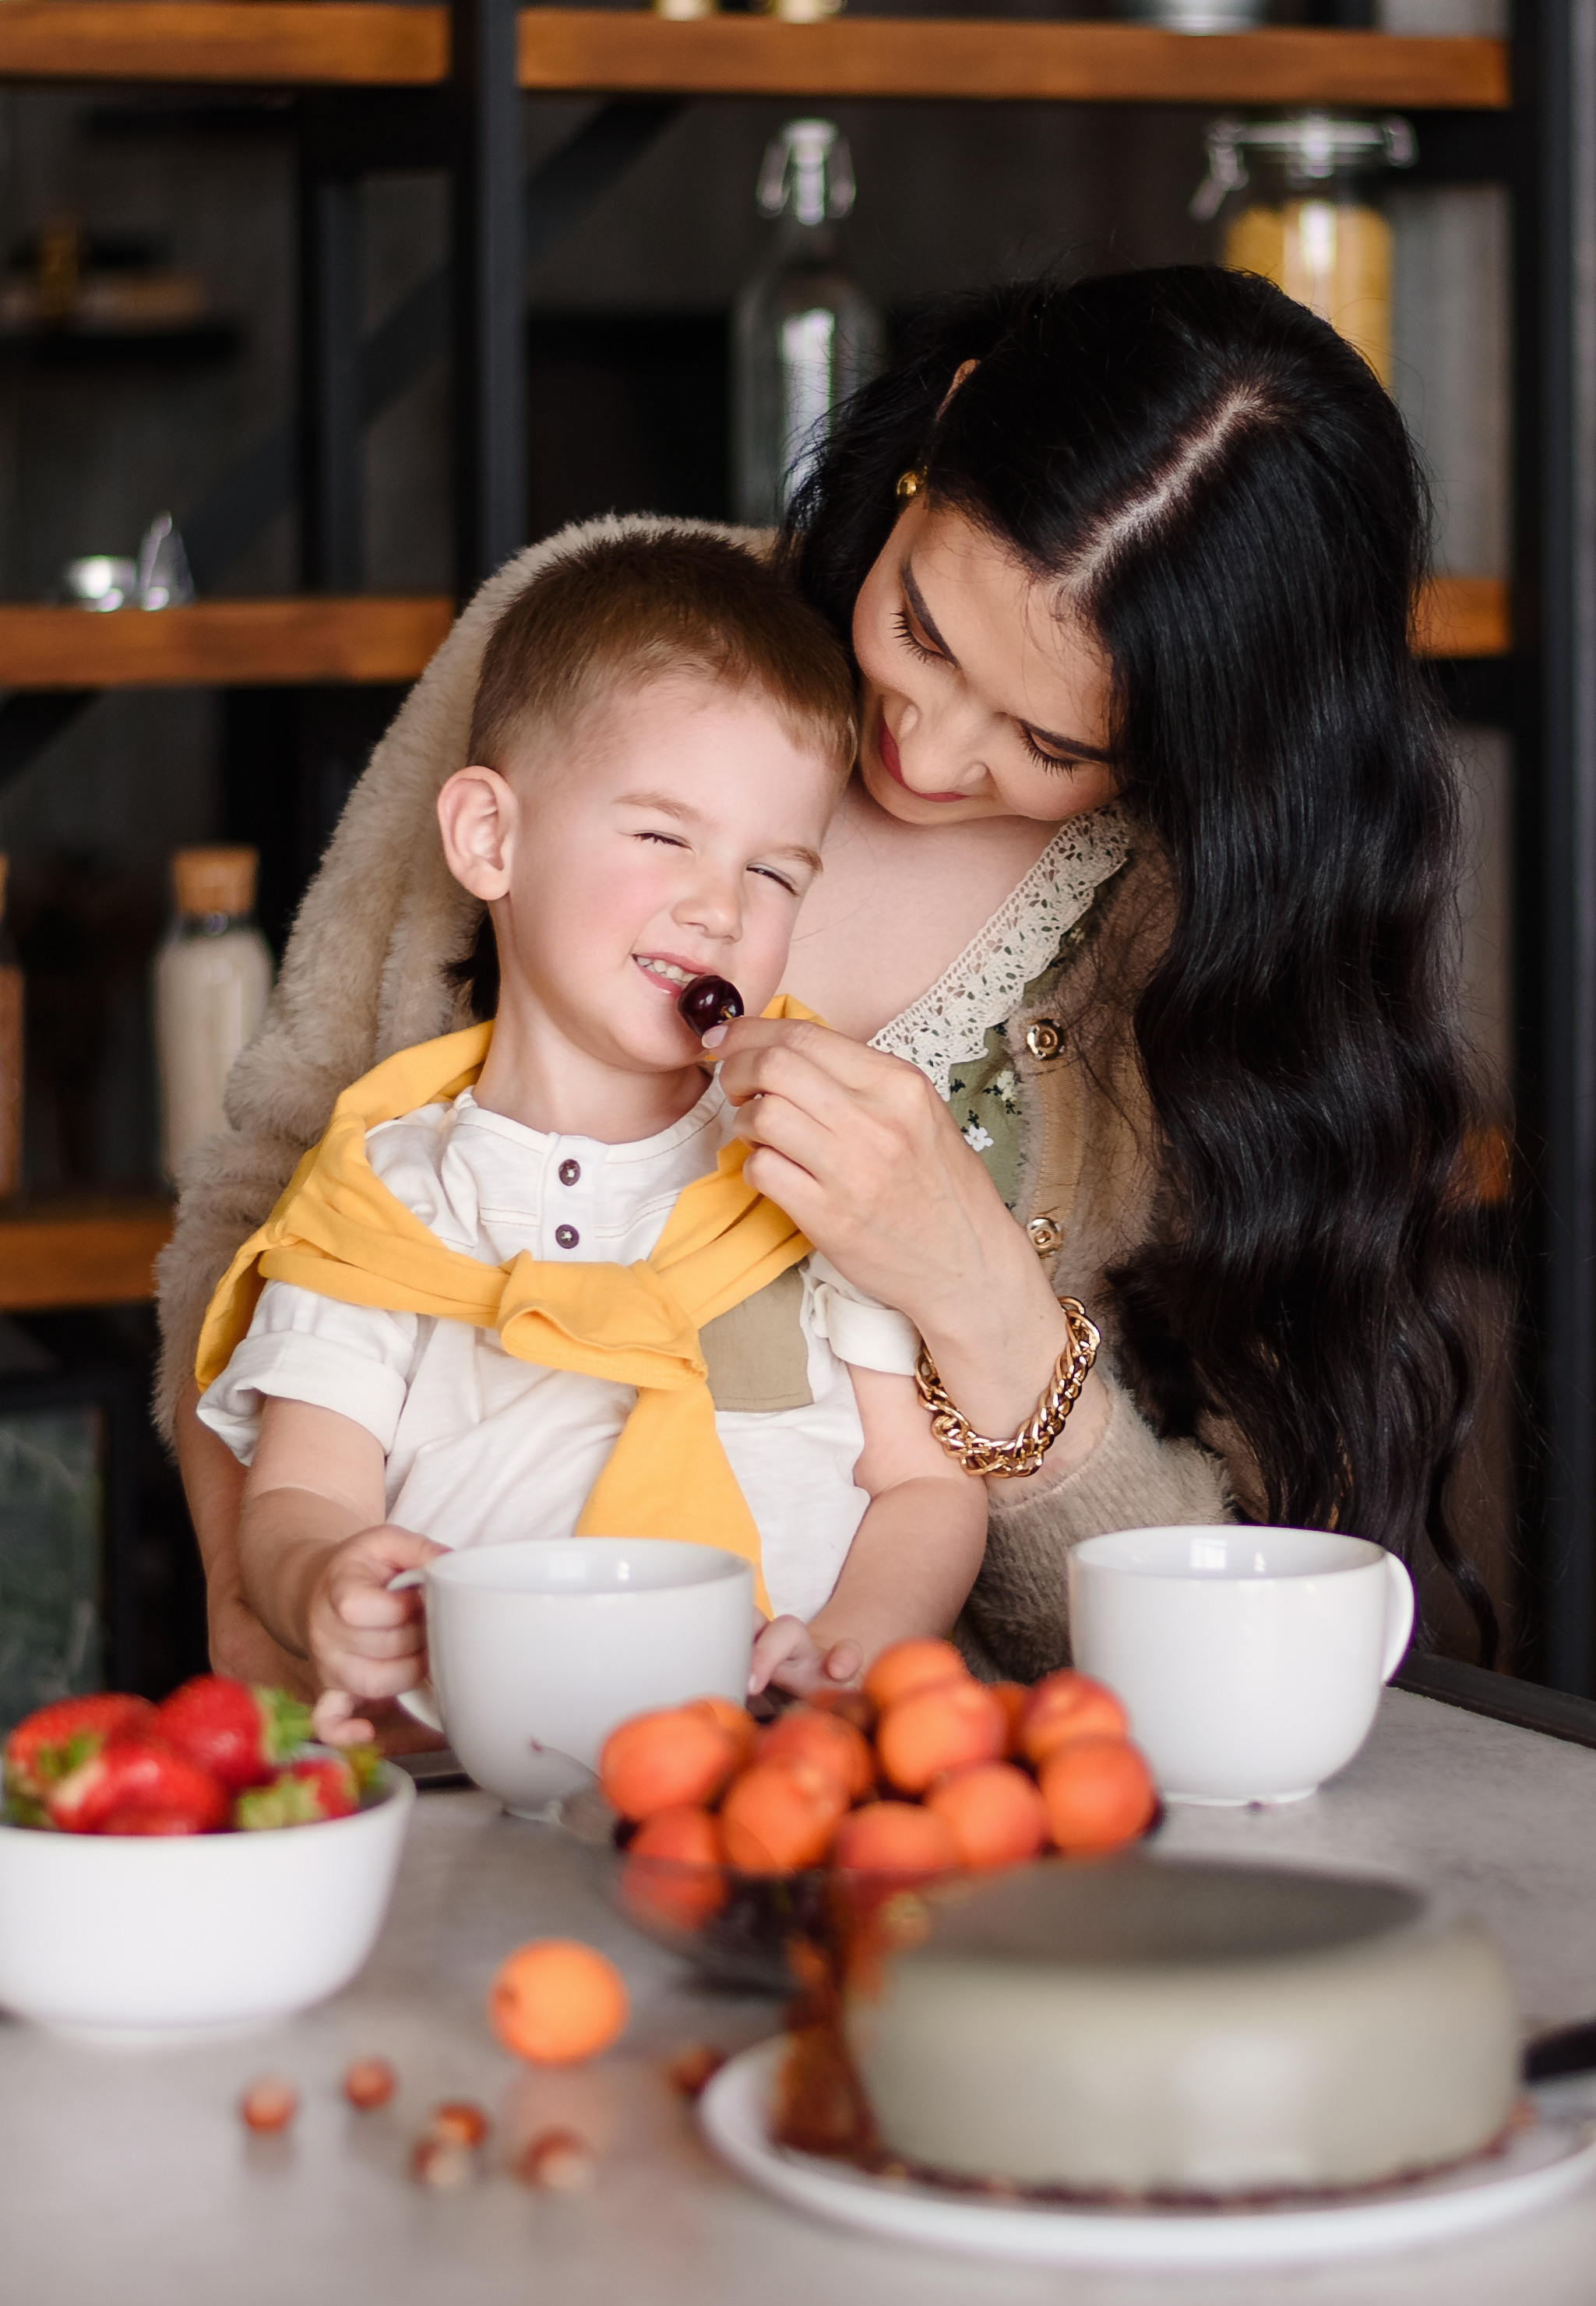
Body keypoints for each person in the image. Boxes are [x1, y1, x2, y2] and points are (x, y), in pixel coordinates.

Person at [157, 264, 1492, 1706]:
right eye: (921, 628)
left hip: (901, 1807)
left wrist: (979, 1301)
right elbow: (264, 1191)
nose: (922, 750)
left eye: (1050, 746)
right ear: (948, 423)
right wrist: (273, 1598)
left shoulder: (1213, 939)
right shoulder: (606, 634)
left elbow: (1214, 1652)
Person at [194, 534, 988, 1728]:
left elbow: (924, 1485)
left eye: (775, 873)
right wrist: (318, 1581)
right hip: (470, 1774)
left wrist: (850, 1643)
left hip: (769, 1771)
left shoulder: (815, 1165)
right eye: (663, 835)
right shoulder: (387, 1196)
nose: (719, 906)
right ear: (488, 839)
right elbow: (299, 1491)